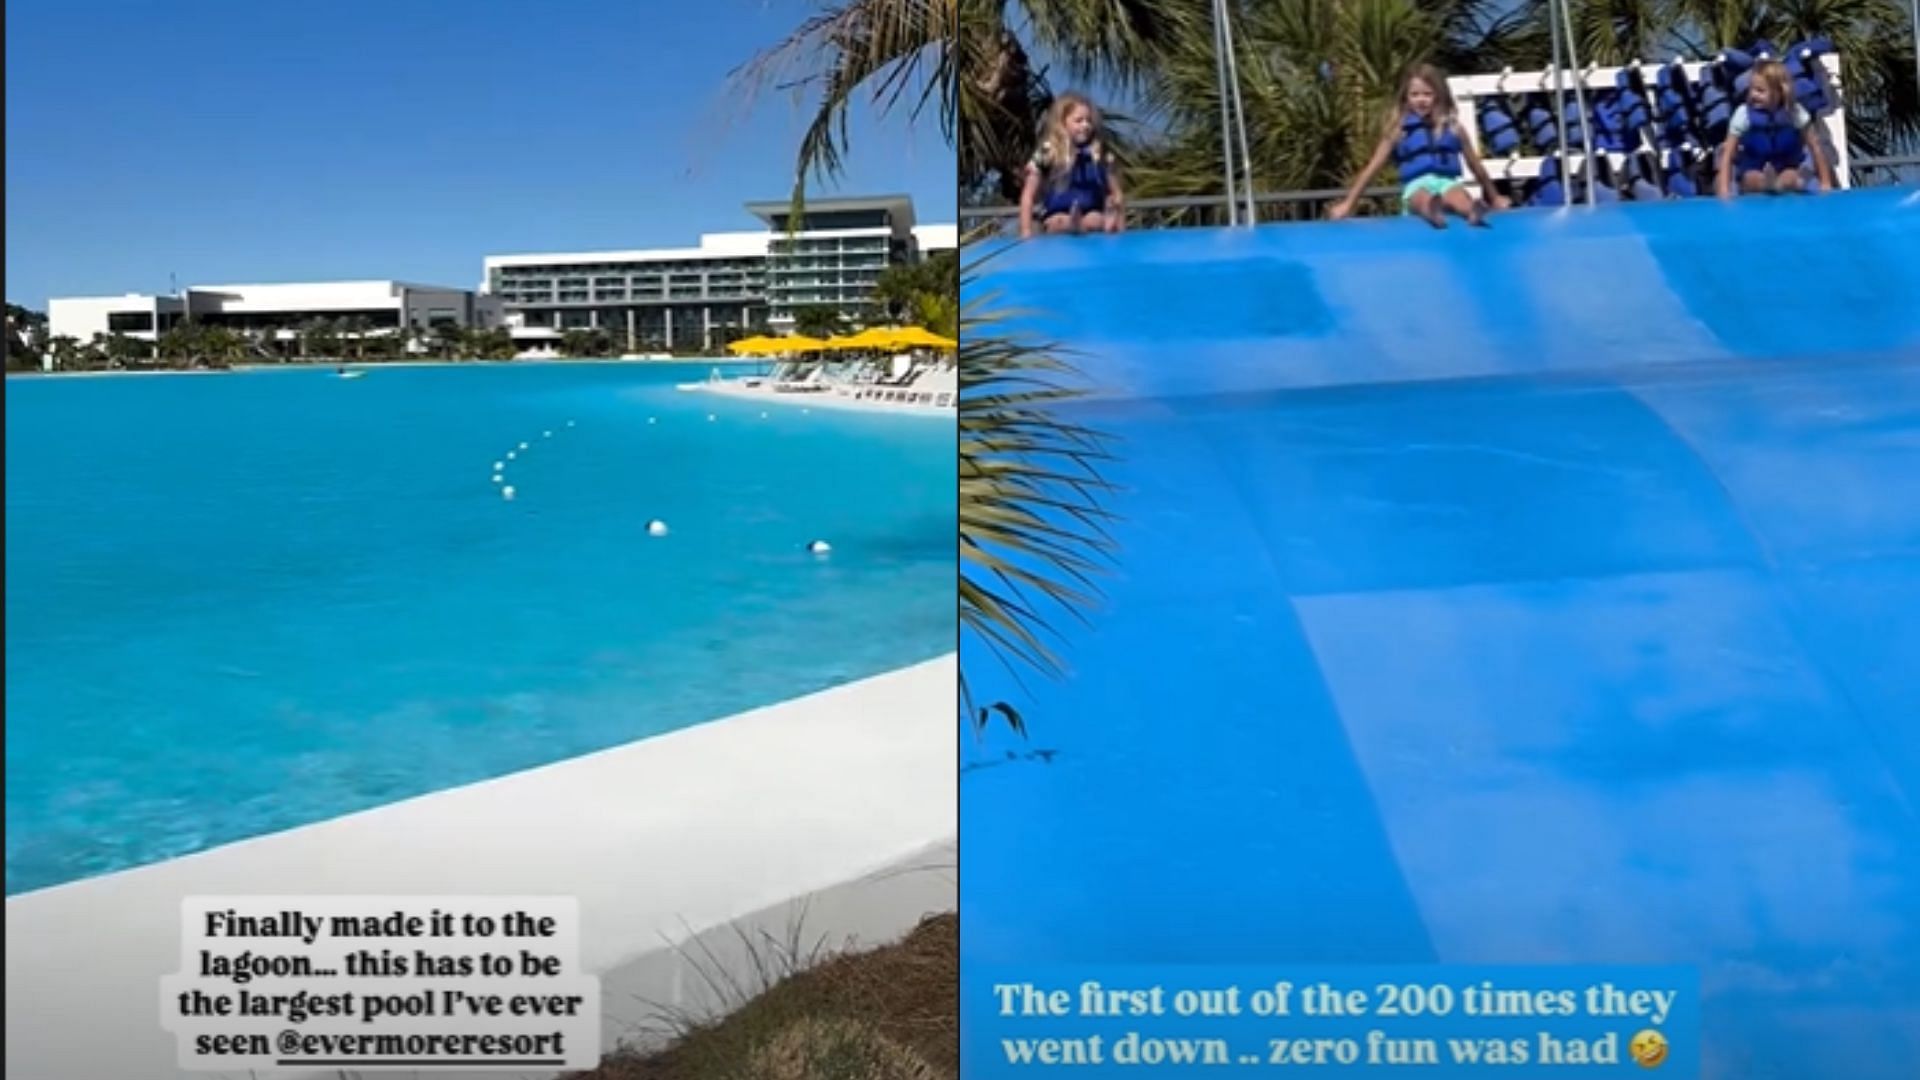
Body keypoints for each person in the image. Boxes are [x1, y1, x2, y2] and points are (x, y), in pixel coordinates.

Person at [1330, 63, 1508, 228]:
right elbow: (1373, 167)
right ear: (1406, 98)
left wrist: (1494, 197)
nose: (1421, 100)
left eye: (1427, 94)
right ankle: (1431, 209)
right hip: (1415, 184)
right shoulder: (1398, 129)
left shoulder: (1453, 127)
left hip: (1447, 182)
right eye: (1415, 94)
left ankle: (1470, 210)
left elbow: (1475, 165)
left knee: (1457, 195)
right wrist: (1348, 204)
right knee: (1421, 197)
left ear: (1438, 96)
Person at [1716, 60, 1835, 198]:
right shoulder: (1743, 115)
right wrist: (1724, 190)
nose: (1753, 95)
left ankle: (1778, 184)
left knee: (1790, 177)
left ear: (1780, 92)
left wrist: (1826, 183)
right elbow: (1727, 154)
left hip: (1787, 163)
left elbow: (1815, 147)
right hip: (1754, 164)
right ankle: (1767, 184)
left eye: (1760, 91)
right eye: (1751, 89)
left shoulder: (1794, 113)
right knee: (1750, 178)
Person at [1019, 92, 1125, 239]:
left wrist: (1120, 225)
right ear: (1062, 123)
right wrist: (1026, 231)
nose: (1086, 125)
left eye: (1088, 120)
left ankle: (1094, 223)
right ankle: (1074, 224)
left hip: (1091, 210)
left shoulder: (1099, 153)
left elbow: (1116, 193)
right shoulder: (1048, 152)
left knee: (1094, 219)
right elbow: (1028, 194)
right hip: (1058, 213)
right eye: (1079, 120)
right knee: (1058, 222)